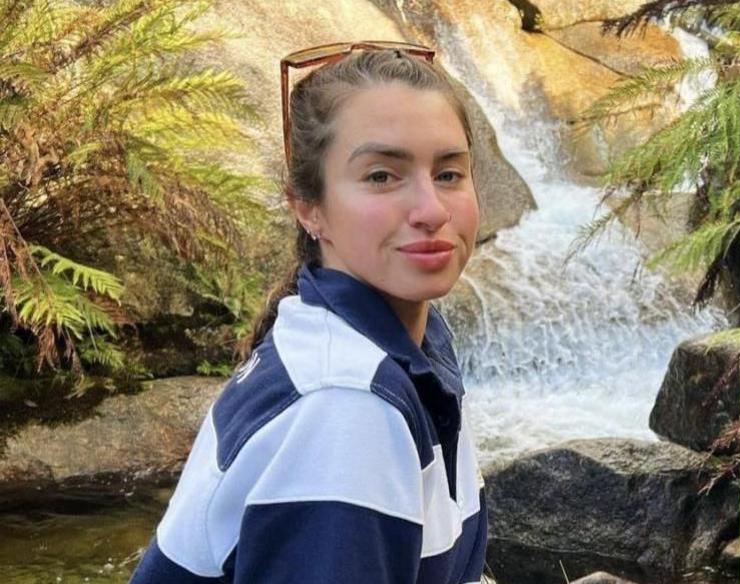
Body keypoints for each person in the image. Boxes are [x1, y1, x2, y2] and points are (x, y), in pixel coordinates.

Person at [129, 41, 487, 583]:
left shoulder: (405, 341)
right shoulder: (345, 405)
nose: (432, 210)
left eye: (449, 173)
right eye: (381, 176)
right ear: (308, 206)